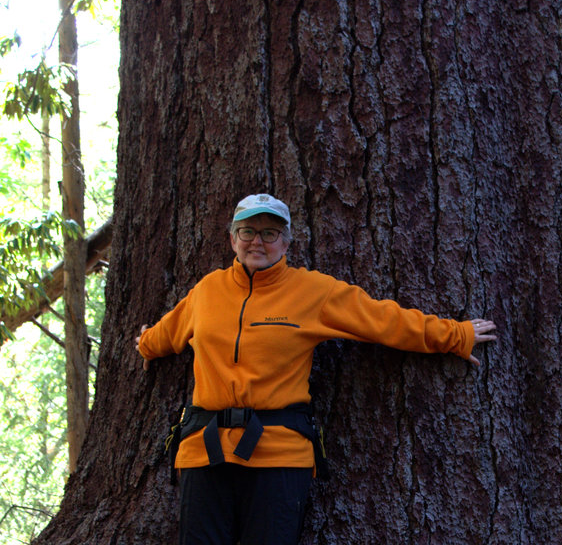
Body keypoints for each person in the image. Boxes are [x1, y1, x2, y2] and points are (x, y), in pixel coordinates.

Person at [135, 193, 497, 545]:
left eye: (269, 233)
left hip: (278, 453)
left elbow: (384, 320)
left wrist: (454, 335)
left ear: (286, 242)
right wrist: (146, 343)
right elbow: (165, 335)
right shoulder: (206, 292)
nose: (257, 242)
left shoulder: (313, 292)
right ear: (233, 238)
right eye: (247, 232)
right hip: (204, 452)